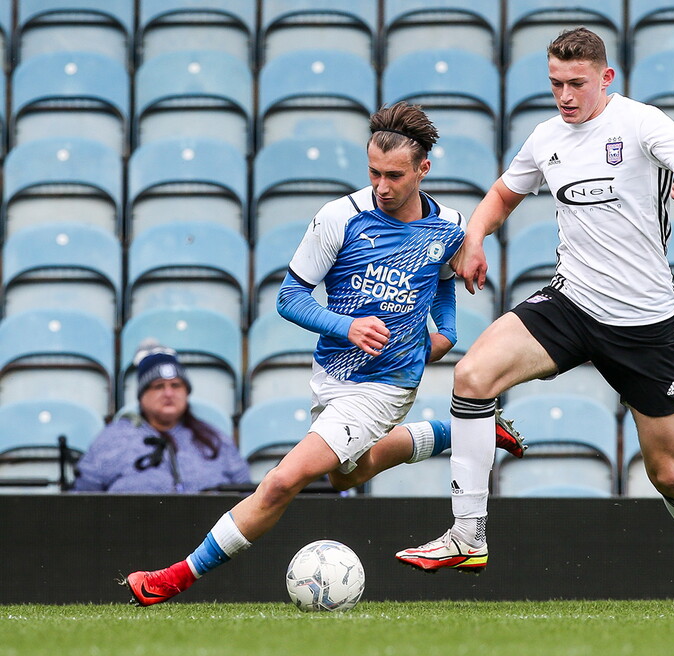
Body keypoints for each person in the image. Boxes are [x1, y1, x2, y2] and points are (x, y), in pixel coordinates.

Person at [396, 28, 674, 608]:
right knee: (472, 377)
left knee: (668, 472)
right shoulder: (546, 138)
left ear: (605, 79)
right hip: (572, 304)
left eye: (576, 84)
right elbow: (500, 195)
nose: (565, 95)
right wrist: (473, 236)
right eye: (555, 84)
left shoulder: (643, 124)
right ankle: (467, 534)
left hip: (643, 323)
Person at [123, 102, 523, 606]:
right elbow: (289, 299)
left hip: (387, 385)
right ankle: (470, 429)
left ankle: (175, 577)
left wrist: (445, 331)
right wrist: (347, 325)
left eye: (395, 175)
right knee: (345, 476)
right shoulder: (340, 217)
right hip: (333, 376)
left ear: (423, 168)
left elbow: (442, 283)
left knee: (282, 481)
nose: (382, 185)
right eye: (374, 172)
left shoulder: (449, 227)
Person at [73, 341, 250, 493]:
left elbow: (246, 493)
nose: (168, 393)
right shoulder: (111, 439)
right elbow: (82, 500)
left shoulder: (215, 439)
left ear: (186, 392)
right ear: (142, 396)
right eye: (158, 386)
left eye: (176, 385)